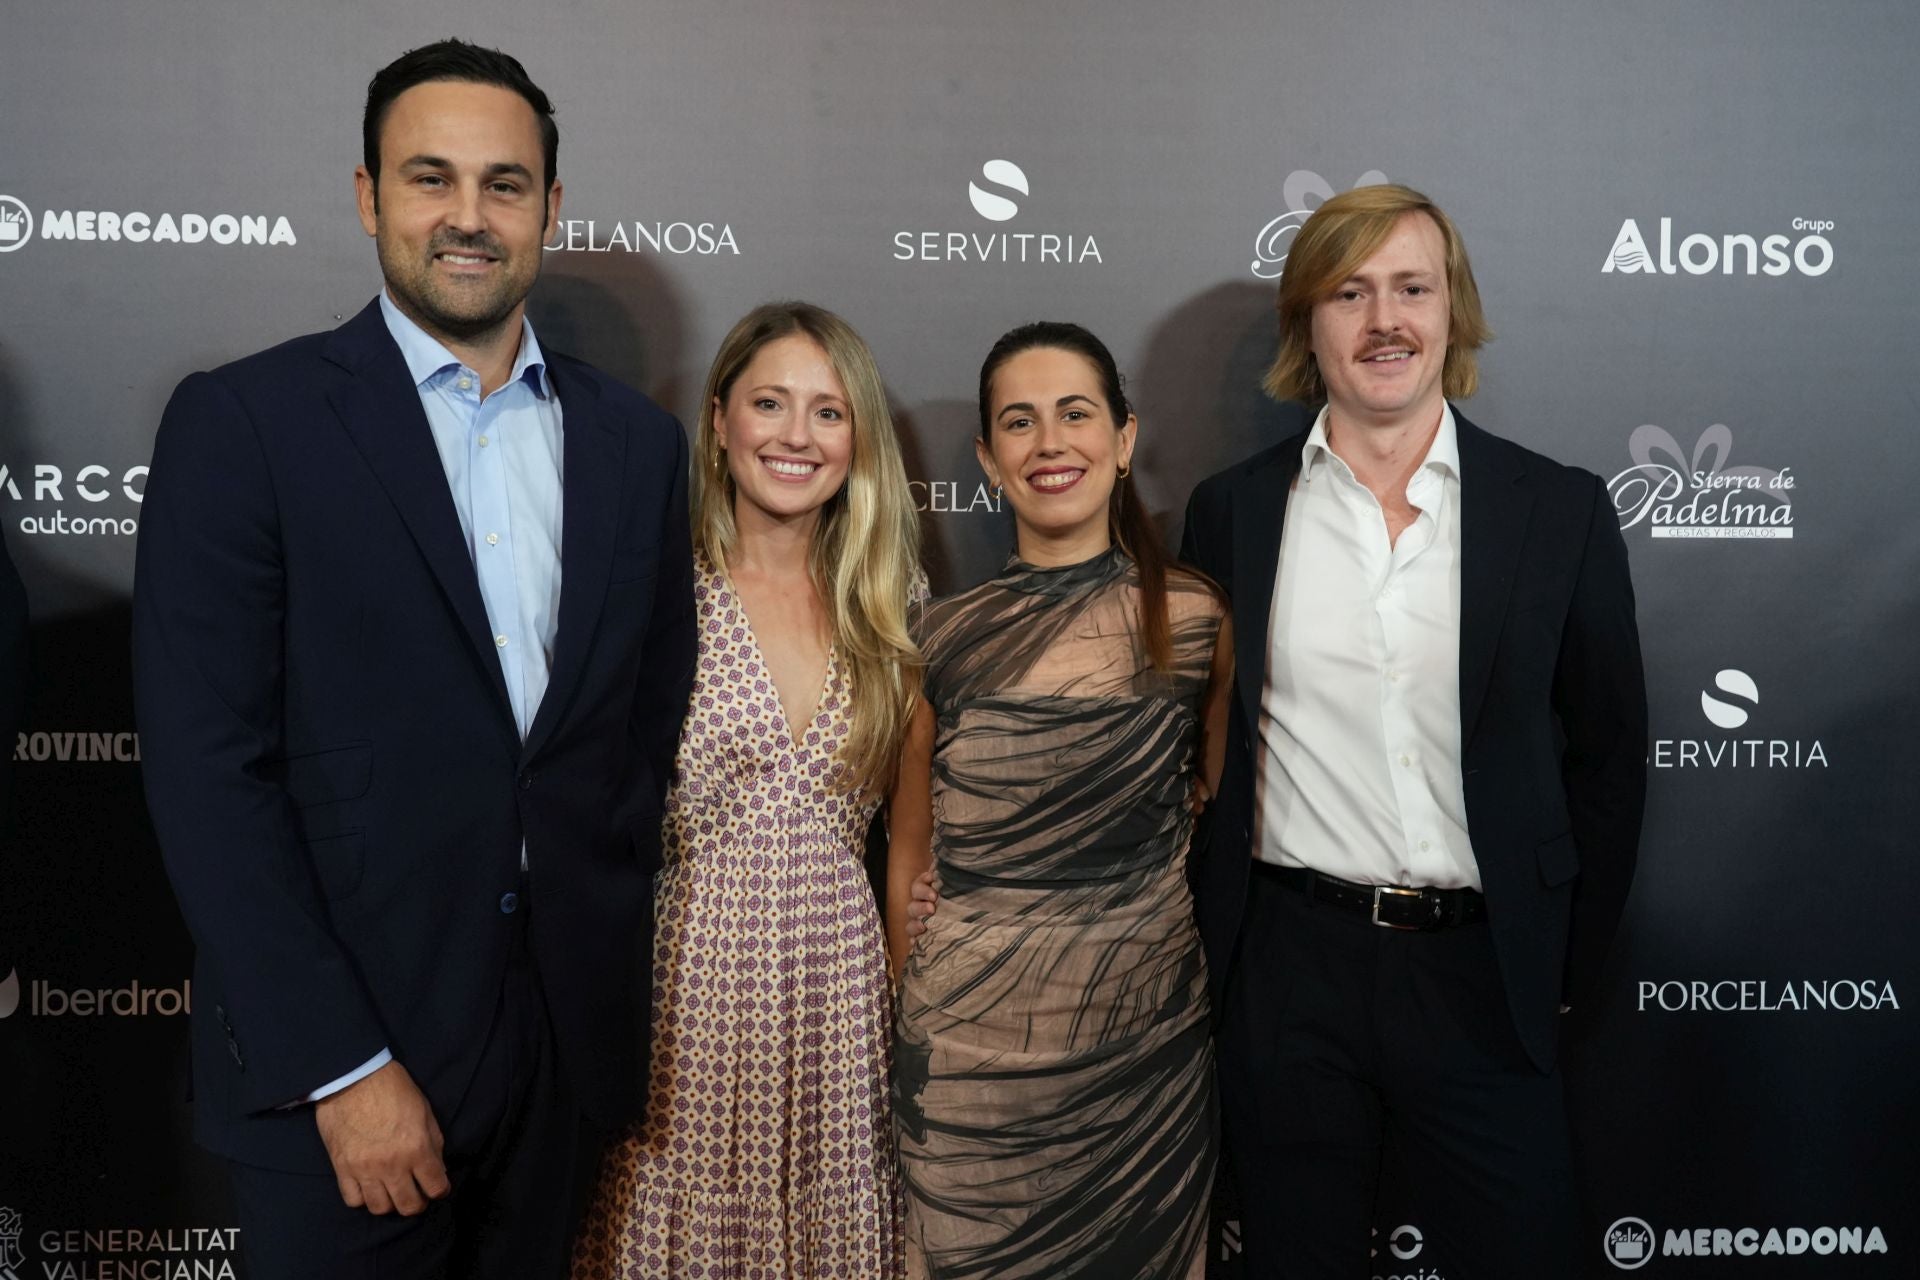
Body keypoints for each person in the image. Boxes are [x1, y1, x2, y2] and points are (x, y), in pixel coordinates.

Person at [132, 40, 695, 1279]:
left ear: (552, 207)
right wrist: (339, 1065)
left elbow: (637, 731)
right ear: (367, 195)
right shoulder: (247, 424)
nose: (468, 217)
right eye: (430, 178)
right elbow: (208, 772)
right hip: (347, 1069)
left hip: (559, 1061)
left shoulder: (637, 445)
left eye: (504, 184)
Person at [1180, 183, 1647, 1276]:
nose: (1383, 319)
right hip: (1292, 969)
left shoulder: (1557, 509)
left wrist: (1560, 960)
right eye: (1349, 292)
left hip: (1486, 971)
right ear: (1309, 324)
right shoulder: (1232, 512)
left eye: (1411, 288)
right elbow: (1200, 745)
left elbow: (1610, 757)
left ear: (1451, 311)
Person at [572, 302, 922, 1278]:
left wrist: (901, 1005)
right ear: (720, 420)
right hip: (681, 989)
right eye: (771, 403)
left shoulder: (894, 611)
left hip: (841, 1001)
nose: (797, 436)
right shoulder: (653, 592)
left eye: (828, 410)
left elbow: (909, 849)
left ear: (859, 439)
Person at [891, 322, 1232, 1280]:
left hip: (1144, 1057)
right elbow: (910, 856)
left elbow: (1219, 811)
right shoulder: (937, 638)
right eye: (1020, 422)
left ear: (1125, 440)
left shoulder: (1200, 619)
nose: (1050, 444)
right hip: (967, 1065)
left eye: (1076, 414)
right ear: (988, 459)